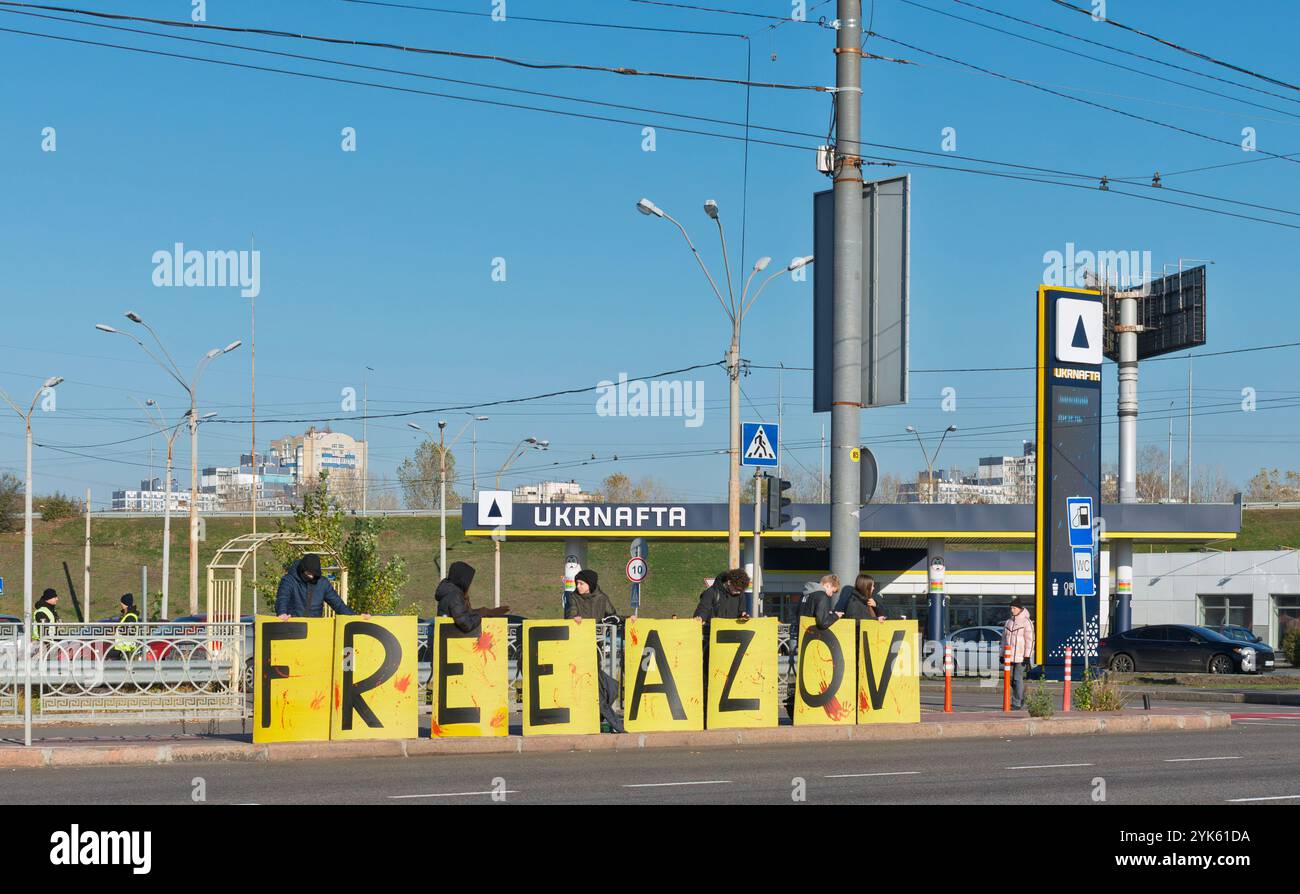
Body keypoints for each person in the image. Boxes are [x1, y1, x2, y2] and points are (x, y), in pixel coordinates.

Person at [561, 568, 624, 734]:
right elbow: (570, 615)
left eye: (581, 583)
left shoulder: (602, 598)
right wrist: (574, 619)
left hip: (595, 646)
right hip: (577, 646)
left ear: (590, 584)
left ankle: (597, 715)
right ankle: (603, 717)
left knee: (597, 682)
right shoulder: (573, 597)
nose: (578, 586)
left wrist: (627, 618)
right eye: (577, 583)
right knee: (591, 682)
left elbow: (613, 615)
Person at [434, 561, 510, 633]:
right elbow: (466, 624)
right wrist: (481, 614)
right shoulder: (454, 595)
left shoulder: (450, 592)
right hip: (451, 641)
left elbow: (462, 614)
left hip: (447, 637)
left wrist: (485, 611)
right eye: (468, 580)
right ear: (462, 579)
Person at [275, 553, 355, 619]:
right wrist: (282, 613)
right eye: (309, 573)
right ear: (302, 570)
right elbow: (282, 599)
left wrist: (356, 618)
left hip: (314, 628)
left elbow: (338, 605)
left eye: (314, 574)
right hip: (292, 628)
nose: (311, 577)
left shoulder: (323, 583)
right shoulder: (289, 580)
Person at [1002, 598, 1035, 710]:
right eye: (1011, 608)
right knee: (1009, 679)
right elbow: (1004, 640)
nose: (1012, 610)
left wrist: (1027, 656)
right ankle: (1020, 697)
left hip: (1021, 656)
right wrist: (1002, 654)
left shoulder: (1026, 622)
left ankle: (1016, 702)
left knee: (1017, 678)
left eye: (1014, 608)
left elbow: (1030, 640)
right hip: (1009, 656)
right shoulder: (1008, 622)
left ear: (1020, 609)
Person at [109, 593, 141, 660]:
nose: (120, 604)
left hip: (126, 648)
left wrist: (116, 631)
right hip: (123, 648)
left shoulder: (130, 616)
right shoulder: (128, 615)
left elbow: (129, 631)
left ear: (124, 604)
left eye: (121, 602)